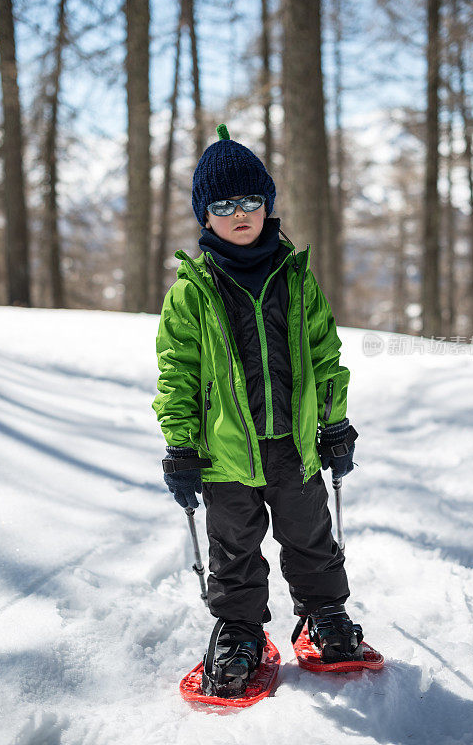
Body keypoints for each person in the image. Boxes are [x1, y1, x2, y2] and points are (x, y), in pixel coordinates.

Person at [152, 123, 362, 698]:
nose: (240, 213)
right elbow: (178, 374)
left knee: (311, 538)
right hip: (223, 455)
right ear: (205, 216)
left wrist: (334, 422)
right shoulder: (192, 290)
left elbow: (325, 356)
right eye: (223, 204)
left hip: (292, 447)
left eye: (251, 201)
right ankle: (240, 629)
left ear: (267, 204)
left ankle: (325, 614)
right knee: (234, 551)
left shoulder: (295, 278)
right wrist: (181, 444)